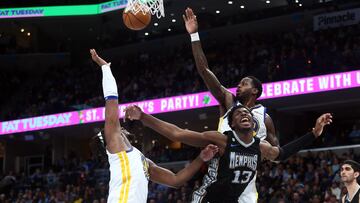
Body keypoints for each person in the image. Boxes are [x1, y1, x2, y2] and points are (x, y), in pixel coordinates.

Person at [124, 104, 332, 203]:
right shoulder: (221, 139)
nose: (245, 114)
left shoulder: (260, 147)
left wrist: (313, 133)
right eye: (239, 114)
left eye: (248, 113)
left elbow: (282, 153)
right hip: (206, 199)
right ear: (231, 124)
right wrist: (144, 117)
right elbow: (179, 133)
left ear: (253, 122)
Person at [90, 49, 219, 203]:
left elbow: (175, 180)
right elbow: (111, 100)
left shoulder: (141, 159)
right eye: (113, 129)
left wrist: (201, 158)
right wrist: (105, 68)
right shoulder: (115, 147)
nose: (117, 127)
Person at [183, 8, 278, 146]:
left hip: (249, 166)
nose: (238, 86)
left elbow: (277, 153)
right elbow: (204, 70)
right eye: (239, 83)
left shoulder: (265, 118)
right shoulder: (229, 100)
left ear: (255, 91)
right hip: (223, 164)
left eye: (244, 83)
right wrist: (194, 35)